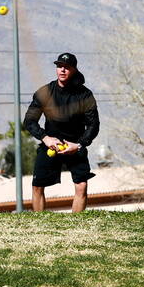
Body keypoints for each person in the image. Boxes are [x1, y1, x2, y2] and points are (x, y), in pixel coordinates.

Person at [23, 52, 100, 213]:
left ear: (74, 70)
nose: (62, 70)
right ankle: (39, 225)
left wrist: (79, 145)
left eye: (67, 67)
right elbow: (29, 121)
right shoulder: (44, 92)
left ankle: (75, 227)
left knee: (82, 186)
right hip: (51, 144)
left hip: (74, 144)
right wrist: (45, 138)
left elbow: (93, 125)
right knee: (37, 186)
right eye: (59, 66)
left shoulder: (85, 95)